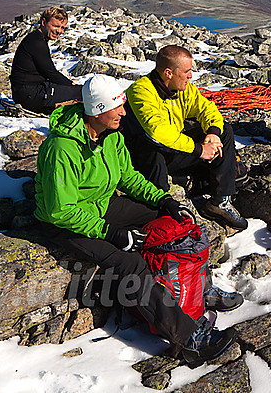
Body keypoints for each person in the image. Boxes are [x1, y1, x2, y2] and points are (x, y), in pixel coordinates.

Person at [34, 74, 240, 365]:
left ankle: (198, 288)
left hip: (102, 204)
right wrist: (112, 233)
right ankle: (189, 338)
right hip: (64, 222)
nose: (123, 112)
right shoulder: (61, 149)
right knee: (128, 262)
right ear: (96, 111)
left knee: (176, 222)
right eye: (116, 106)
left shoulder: (111, 136)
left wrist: (163, 200)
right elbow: (60, 210)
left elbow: (128, 177)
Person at [123, 45, 248, 230]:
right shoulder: (141, 91)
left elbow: (206, 108)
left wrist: (212, 134)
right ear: (169, 73)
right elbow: (158, 133)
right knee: (152, 148)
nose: (191, 76)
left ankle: (219, 201)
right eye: (187, 71)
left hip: (175, 148)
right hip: (145, 155)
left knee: (225, 131)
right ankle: (162, 214)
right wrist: (200, 151)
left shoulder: (183, 88)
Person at [9, 6, 83, 114]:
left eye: (62, 27)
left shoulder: (37, 38)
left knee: (76, 91)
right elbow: (50, 72)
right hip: (30, 94)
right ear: (44, 22)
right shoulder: (37, 42)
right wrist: (71, 85)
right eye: (55, 26)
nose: (59, 31)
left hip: (27, 92)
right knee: (82, 93)